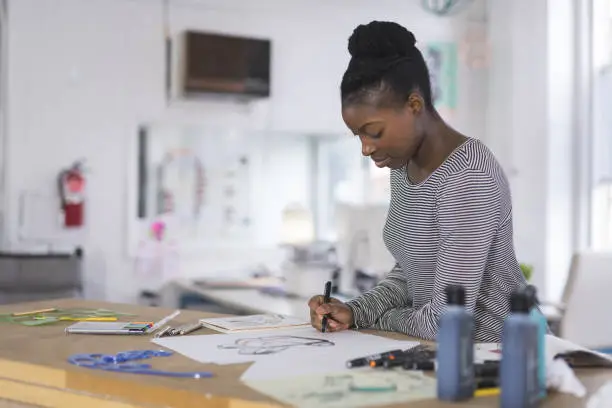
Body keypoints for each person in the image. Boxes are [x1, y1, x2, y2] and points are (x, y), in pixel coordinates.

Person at [308, 21, 527, 342]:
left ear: (414, 106)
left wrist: (378, 319)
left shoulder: (469, 178)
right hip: (440, 352)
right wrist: (356, 311)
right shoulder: (402, 166)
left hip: (500, 355)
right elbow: (410, 276)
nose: (366, 148)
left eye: (374, 131)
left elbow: (444, 321)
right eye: (359, 136)